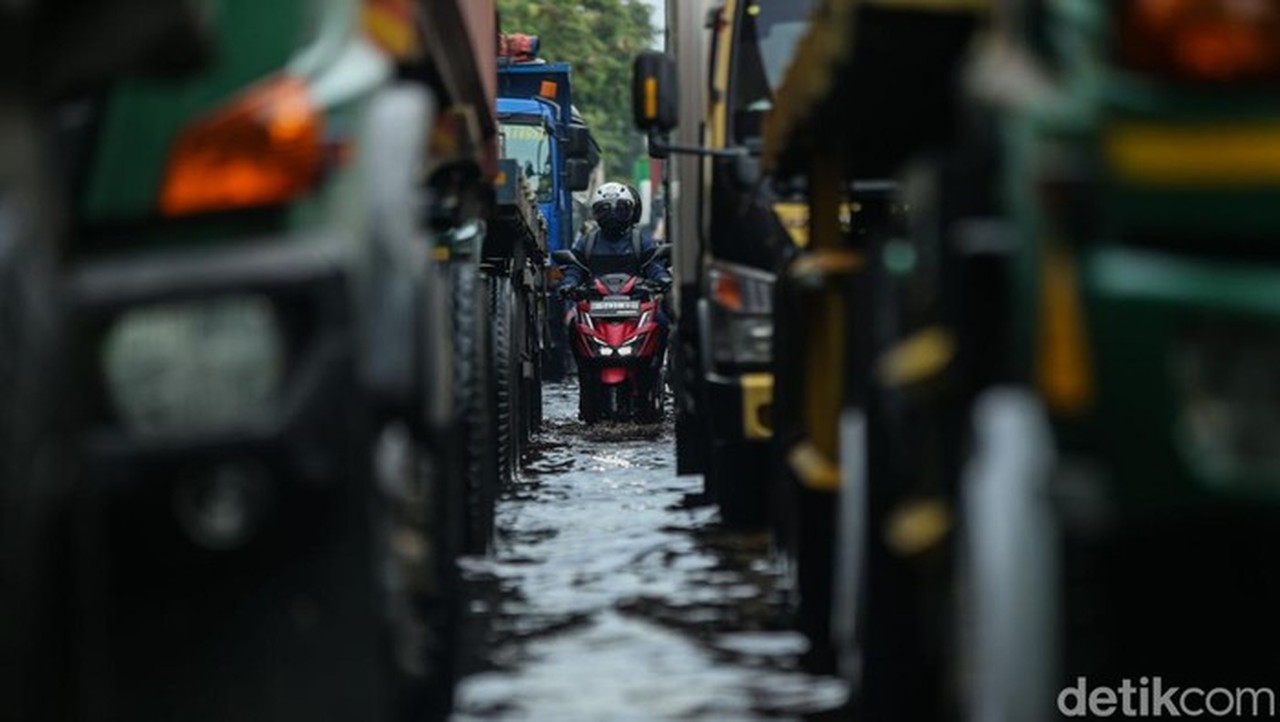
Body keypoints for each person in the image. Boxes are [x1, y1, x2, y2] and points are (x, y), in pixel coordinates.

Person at [557, 182, 672, 295]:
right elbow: (576, 269)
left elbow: (653, 265)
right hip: (594, 304)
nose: (613, 216)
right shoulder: (588, 242)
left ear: (631, 212)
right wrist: (568, 283)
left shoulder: (640, 241)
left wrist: (663, 278)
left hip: (636, 303)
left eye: (620, 210)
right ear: (595, 213)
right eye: (605, 211)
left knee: (662, 313)